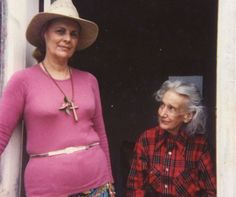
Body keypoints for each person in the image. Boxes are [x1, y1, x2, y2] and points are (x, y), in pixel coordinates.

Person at [0, 0, 115, 196]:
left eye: (73, 33)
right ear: (45, 33)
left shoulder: (89, 80)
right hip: (47, 188)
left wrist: (110, 180)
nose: (67, 38)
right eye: (60, 31)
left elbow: (101, 133)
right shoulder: (23, 80)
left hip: (97, 183)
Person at [126, 80, 216, 196]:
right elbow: (134, 188)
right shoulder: (147, 139)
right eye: (162, 105)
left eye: (171, 108)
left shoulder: (200, 146)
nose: (162, 113)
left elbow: (212, 192)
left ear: (188, 116)